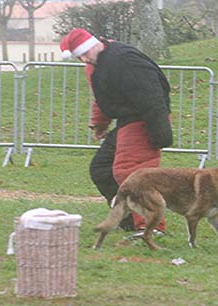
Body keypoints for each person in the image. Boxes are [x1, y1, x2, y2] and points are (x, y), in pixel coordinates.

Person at [60, 28, 172, 237]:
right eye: (80, 57)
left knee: (132, 172)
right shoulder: (94, 66)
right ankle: (129, 218)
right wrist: (99, 124)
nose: (84, 59)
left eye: (85, 54)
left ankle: (152, 226)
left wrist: (159, 130)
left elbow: (152, 94)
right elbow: (102, 97)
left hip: (146, 118)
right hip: (127, 119)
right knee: (101, 168)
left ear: (94, 44)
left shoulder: (124, 60)